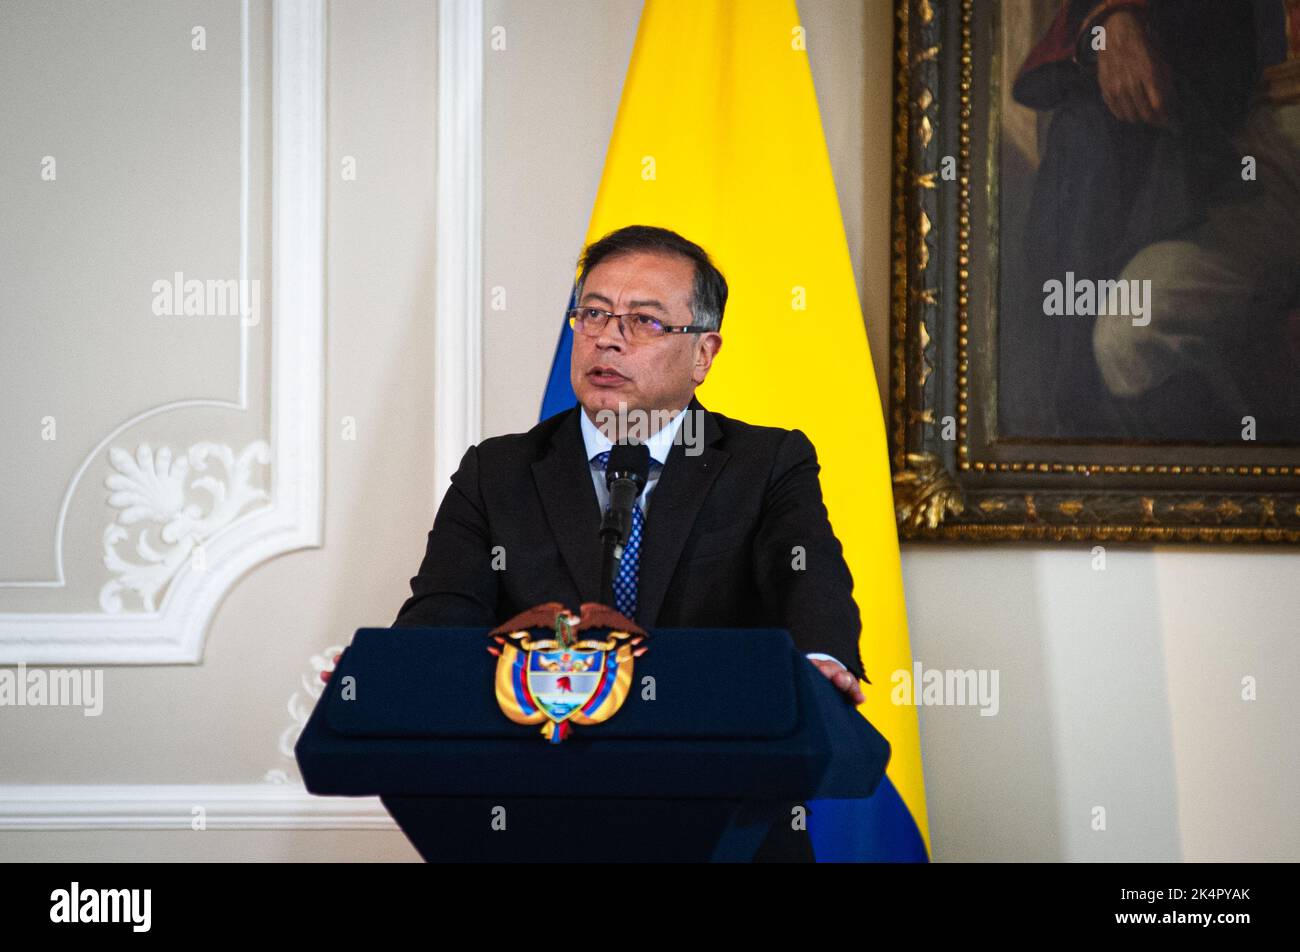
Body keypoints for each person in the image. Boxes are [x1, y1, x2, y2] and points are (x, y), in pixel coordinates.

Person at [392, 224, 868, 861]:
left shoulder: (766, 462)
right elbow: (442, 613)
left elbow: (806, 575)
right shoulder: (498, 471)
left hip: (726, 813)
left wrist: (820, 663)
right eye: (592, 313)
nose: (608, 336)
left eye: (643, 321)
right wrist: (393, 674)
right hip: (541, 817)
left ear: (704, 352)